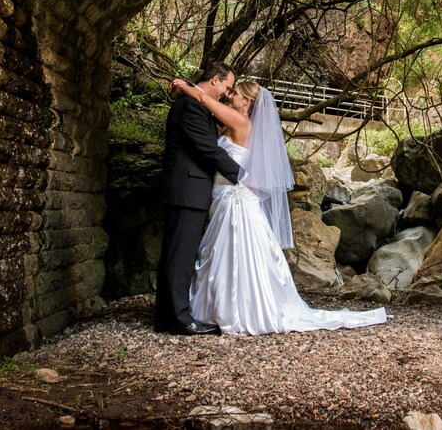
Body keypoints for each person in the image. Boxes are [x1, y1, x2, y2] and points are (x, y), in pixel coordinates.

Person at [171, 78, 388, 335]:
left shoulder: (240, 122)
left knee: (232, 254)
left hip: (235, 199)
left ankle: (236, 310)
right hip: (227, 197)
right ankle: (219, 308)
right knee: (224, 254)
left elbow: (206, 100)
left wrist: (185, 87)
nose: (231, 96)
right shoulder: (235, 122)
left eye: (236, 93)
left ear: (248, 102)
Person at [156, 62, 241, 336]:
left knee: (178, 253)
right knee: (179, 256)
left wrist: (185, 86)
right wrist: (245, 175)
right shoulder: (191, 108)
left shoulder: (195, 103)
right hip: (186, 190)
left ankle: (169, 316)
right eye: (227, 88)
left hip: (188, 190)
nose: (227, 94)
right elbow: (208, 149)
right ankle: (178, 319)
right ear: (215, 80)